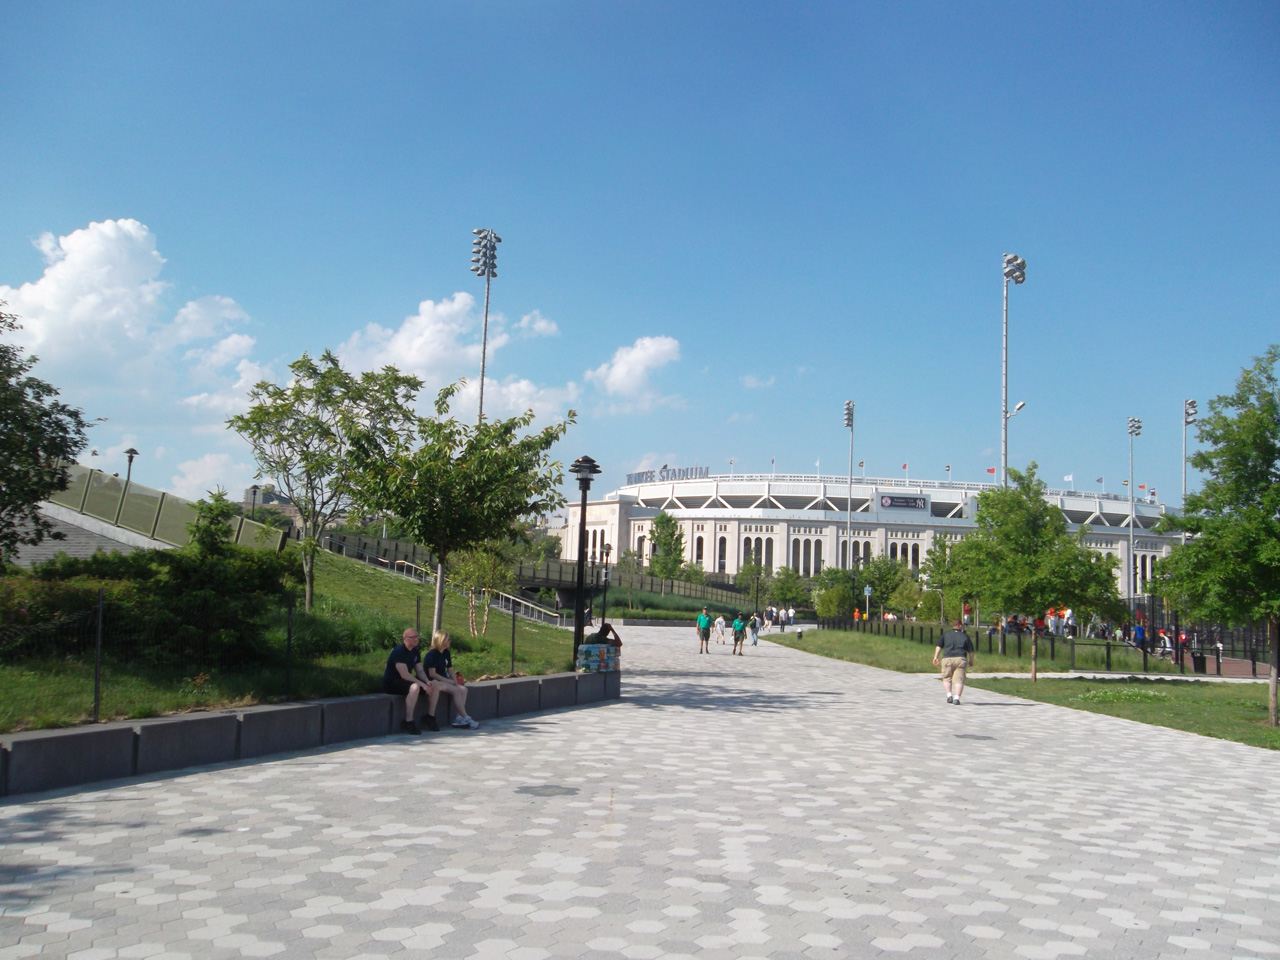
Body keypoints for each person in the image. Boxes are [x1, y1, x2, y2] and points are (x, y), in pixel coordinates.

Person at [382, 627, 439, 734]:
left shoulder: (415, 652)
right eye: (413, 637)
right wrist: (422, 685)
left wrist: (427, 681)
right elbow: (405, 675)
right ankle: (408, 721)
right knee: (414, 687)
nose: (416, 639)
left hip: (405, 681)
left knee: (435, 684)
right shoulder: (399, 652)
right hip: (392, 682)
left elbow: (420, 671)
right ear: (405, 639)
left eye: (417, 637)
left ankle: (430, 717)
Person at [423, 630, 479, 729]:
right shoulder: (432, 654)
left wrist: (455, 681)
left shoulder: (446, 652)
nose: (450, 641)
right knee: (456, 690)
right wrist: (448, 681)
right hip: (434, 681)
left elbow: (450, 668)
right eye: (448, 639)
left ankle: (458, 717)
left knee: (463, 689)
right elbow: (432, 674)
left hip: (444, 680)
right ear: (442, 641)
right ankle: (465, 716)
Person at [933, 618, 975, 705]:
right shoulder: (965, 636)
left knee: (947, 678)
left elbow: (939, 646)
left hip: (947, 658)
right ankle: (957, 698)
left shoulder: (946, 635)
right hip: (960, 658)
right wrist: (971, 660)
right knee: (959, 680)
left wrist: (936, 657)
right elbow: (971, 651)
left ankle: (949, 696)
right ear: (960, 626)